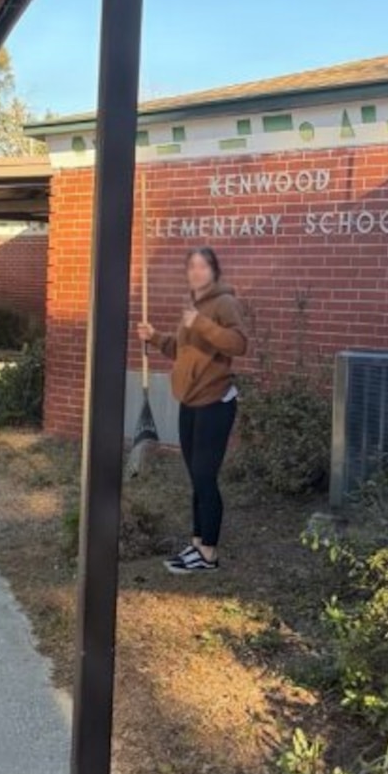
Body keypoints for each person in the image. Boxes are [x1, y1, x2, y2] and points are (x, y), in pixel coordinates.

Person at [138, 246, 248, 575]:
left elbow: (238, 343)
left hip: (215, 403)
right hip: (190, 402)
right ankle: (197, 543)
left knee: (204, 476)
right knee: (195, 477)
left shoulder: (224, 302)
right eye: (192, 266)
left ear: (214, 271)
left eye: (203, 266)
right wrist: (155, 337)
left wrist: (200, 323)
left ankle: (209, 554)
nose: (197, 272)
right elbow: (182, 350)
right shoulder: (193, 306)